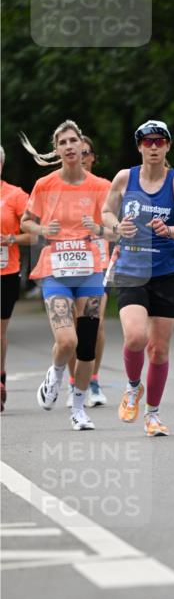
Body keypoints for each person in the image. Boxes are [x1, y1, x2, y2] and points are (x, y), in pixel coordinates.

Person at [102, 120, 174, 437]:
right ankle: (133, 387)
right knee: (135, 338)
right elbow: (105, 213)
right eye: (148, 142)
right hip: (132, 270)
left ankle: (153, 415)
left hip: (167, 272)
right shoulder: (124, 178)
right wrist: (118, 227)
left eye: (160, 141)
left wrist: (170, 229)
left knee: (158, 350)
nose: (154, 147)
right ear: (140, 147)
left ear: (168, 146)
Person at [19, 120, 115, 430]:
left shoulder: (101, 186)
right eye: (63, 142)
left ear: (82, 147)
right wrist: (44, 229)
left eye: (74, 140)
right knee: (66, 340)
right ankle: (56, 374)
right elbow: (26, 222)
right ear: (57, 150)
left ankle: (77, 409)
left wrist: (98, 229)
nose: (70, 146)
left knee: (86, 346)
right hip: (56, 271)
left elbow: (115, 228)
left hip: (89, 272)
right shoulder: (45, 185)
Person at [65, 135, 112, 409]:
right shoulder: (61, 186)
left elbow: (114, 223)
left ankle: (92, 379)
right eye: (76, 152)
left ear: (93, 157)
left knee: (95, 324)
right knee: (72, 325)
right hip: (68, 262)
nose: (81, 157)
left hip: (98, 260)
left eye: (86, 152)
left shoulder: (104, 188)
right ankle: (74, 383)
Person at [0, 144, 32, 412]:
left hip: (5, 272)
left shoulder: (16, 195)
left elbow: (35, 233)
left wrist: (10, 238)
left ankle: (0, 378)